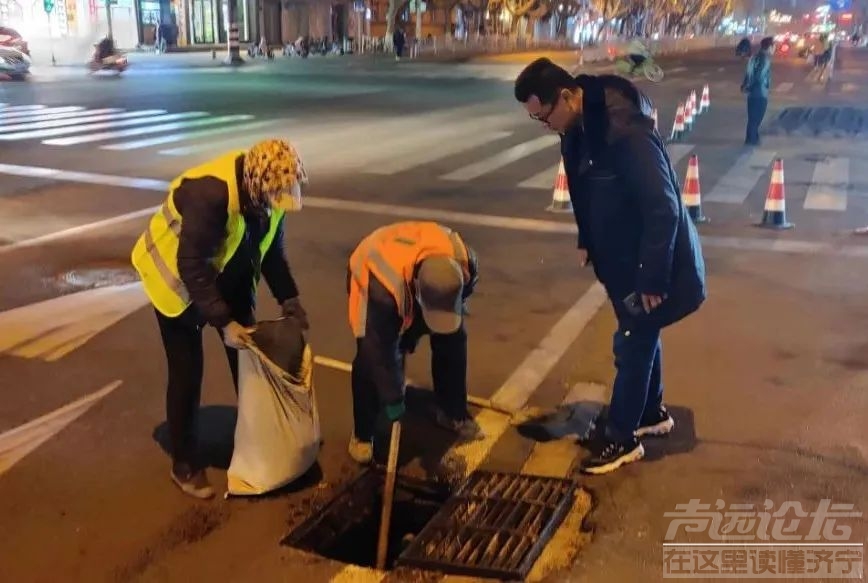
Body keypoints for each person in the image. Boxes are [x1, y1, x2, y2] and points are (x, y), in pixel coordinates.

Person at [514, 58, 706, 475]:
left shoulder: (624, 132)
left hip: (646, 262)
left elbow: (664, 207)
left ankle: (622, 438)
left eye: (545, 116)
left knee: (632, 341)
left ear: (566, 96)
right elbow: (584, 191)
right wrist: (587, 238)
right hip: (619, 259)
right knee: (641, 336)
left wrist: (652, 275)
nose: (546, 125)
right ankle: (651, 413)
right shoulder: (577, 128)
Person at [131, 139, 311, 499]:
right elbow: (191, 266)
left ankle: (259, 441)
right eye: (278, 195)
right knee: (187, 372)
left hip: (227, 275)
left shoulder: (268, 196)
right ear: (258, 186)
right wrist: (223, 322)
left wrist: (290, 298)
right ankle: (183, 465)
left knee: (248, 358)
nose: (282, 202)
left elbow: (272, 252)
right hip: (176, 287)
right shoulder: (211, 195)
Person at [346, 221, 483, 464]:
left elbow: (460, 298)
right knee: (369, 363)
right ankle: (363, 435)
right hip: (371, 269)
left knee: (453, 339)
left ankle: (451, 412)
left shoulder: (463, 261)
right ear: (417, 291)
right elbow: (378, 349)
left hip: (416, 275)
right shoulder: (382, 288)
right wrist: (393, 398)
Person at [741, 36, 773, 146]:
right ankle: (752, 140)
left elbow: (748, 72)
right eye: (774, 46)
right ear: (770, 47)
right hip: (760, 92)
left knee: (752, 117)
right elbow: (759, 75)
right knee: (757, 118)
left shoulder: (754, 57)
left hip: (752, 94)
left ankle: (751, 138)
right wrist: (751, 86)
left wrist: (745, 85)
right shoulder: (765, 59)